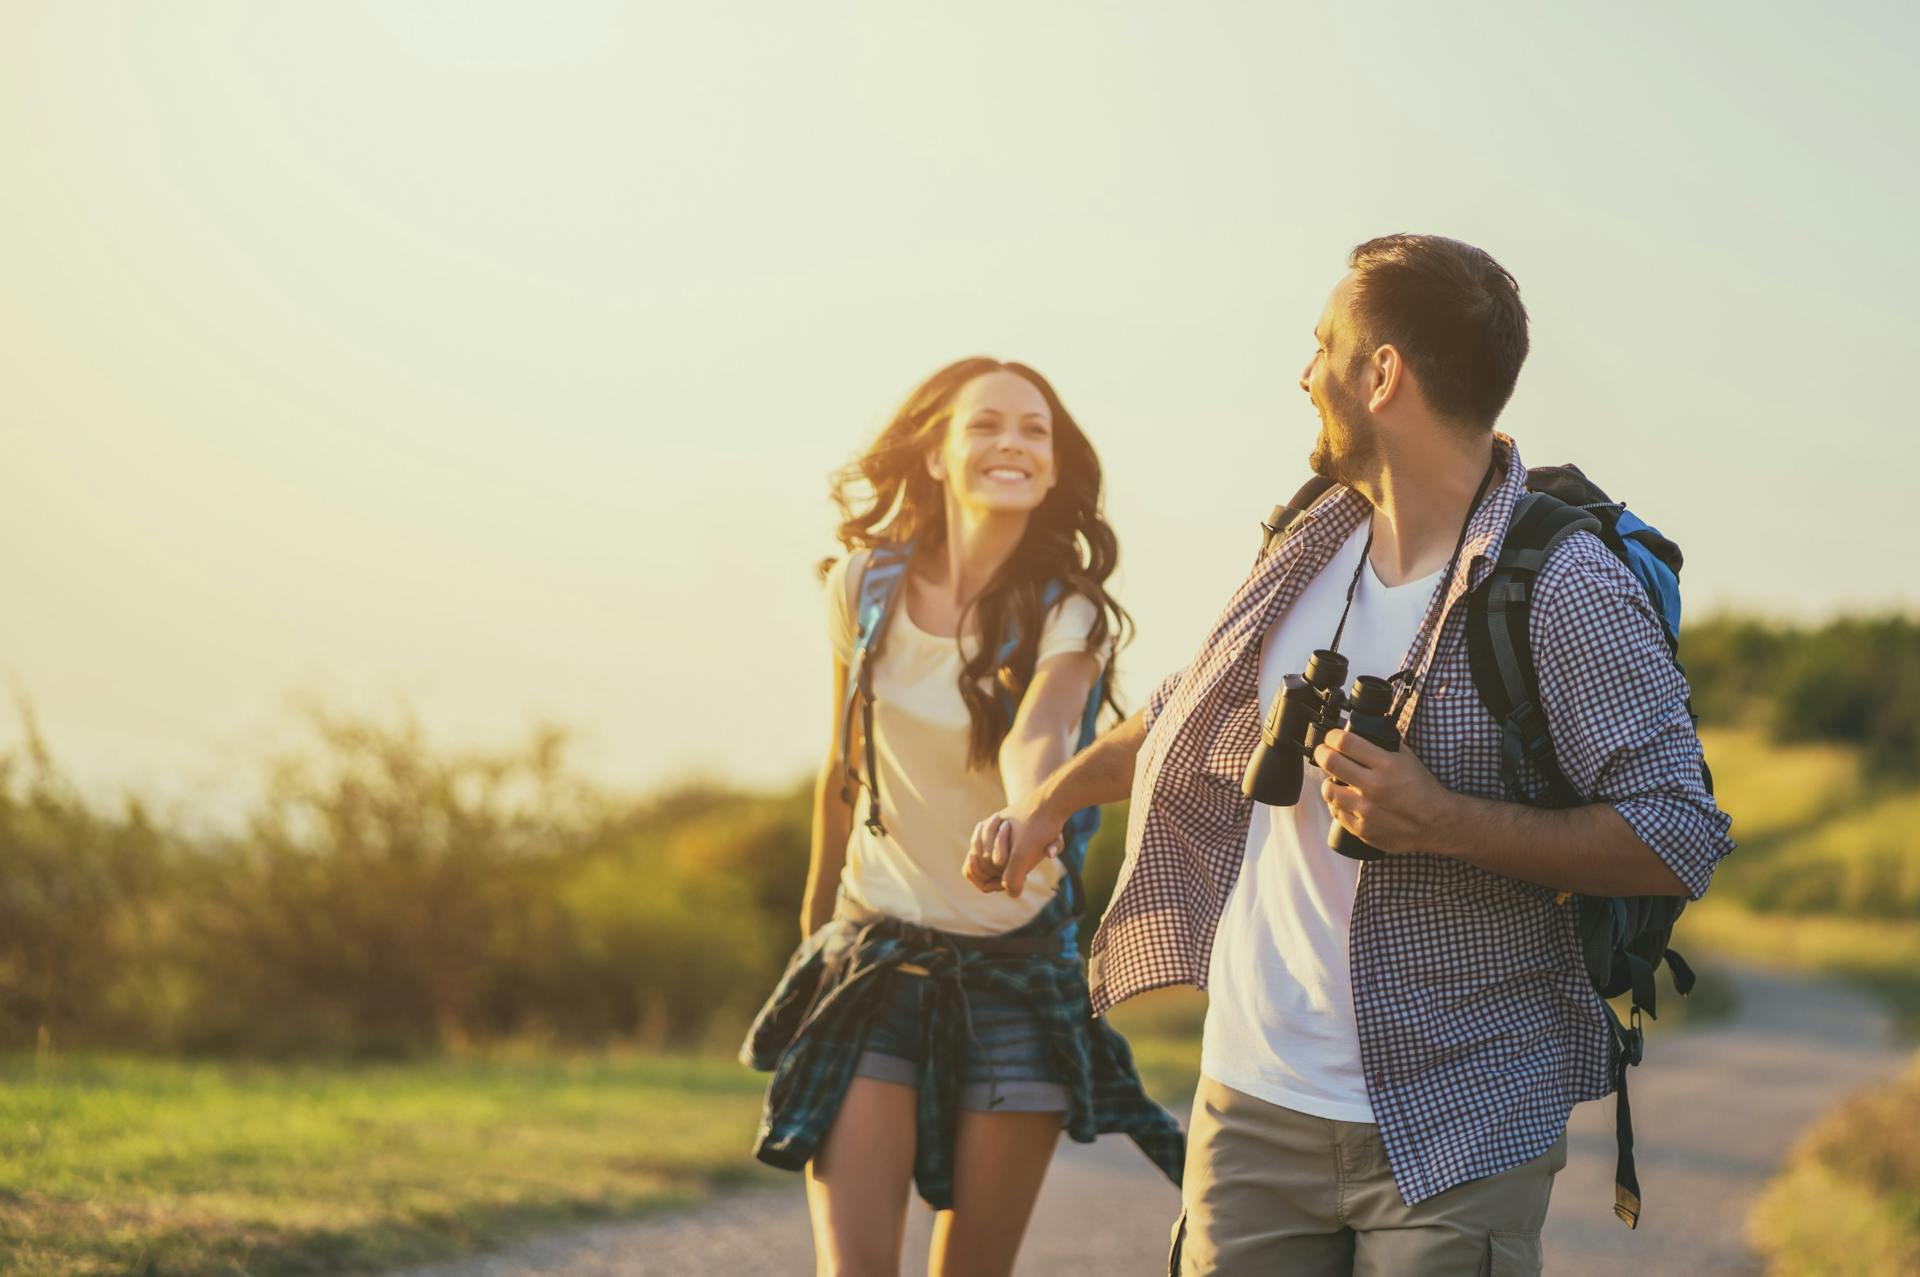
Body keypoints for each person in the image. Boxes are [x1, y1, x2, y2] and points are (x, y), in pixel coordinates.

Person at [967, 236, 1735, 1276]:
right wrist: (1048, 803)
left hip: (1460, 1112)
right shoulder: (1305, 539)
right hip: (1251, 1104)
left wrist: (1441, 819)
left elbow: (1677, 829)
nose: (1303, 372)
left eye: (1323, 343)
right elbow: (1180, 707)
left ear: (1382, 374)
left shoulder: (1562, 584)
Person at [743, 356, 1183, 1277]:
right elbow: (842, 766)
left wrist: (1033, 809)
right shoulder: (862, 588)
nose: (1011, 443)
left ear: (1056, 468)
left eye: (1034, 430)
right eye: (985, 424)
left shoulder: (1072, 611)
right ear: (938, 454)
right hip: (876, 954)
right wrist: (814, 930)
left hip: (1016, 969)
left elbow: (1044, 728)